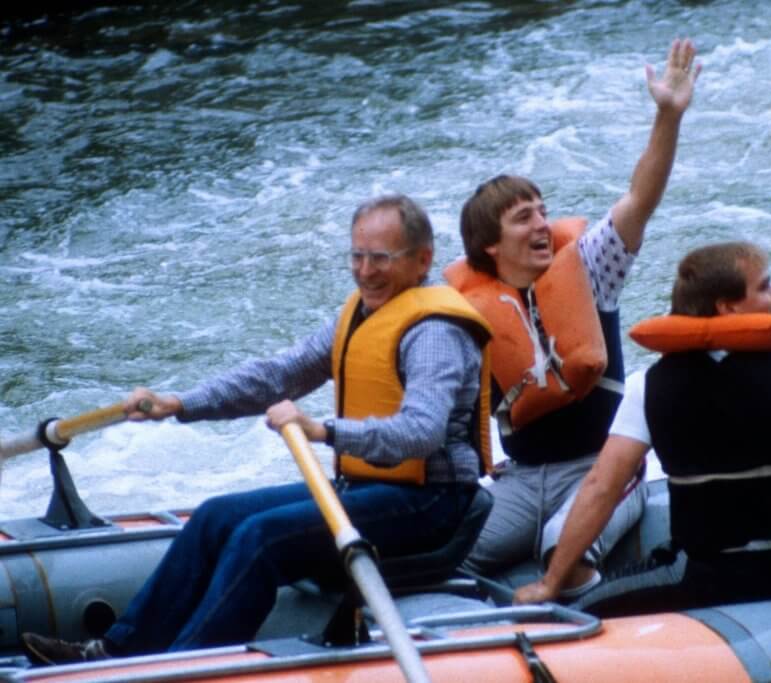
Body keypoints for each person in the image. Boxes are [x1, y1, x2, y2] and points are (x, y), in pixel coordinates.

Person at [21, 194, 493, 664]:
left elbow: (421, 432)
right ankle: (115, 650)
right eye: (357, 255)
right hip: (369, 487)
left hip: (431, 502)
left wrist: (324, 431)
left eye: (380, 258)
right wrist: (181, 403)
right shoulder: (363, 314)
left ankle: (186, 669)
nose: (365, 270)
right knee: (215, 517)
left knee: (261, 537)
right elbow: (277, 376)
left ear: (422, 260)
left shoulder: (435, 333)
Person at [513, 241, 771, 616]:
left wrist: (550, 584)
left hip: (705, 579)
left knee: (577, 612)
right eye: (766, 286)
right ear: (727, 307)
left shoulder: (648, 386)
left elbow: (602, 486)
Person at [448, 37, 701, 596]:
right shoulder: (465, 311)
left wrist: (667, 115)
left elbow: (640, 199)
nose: (543, 224)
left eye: (543, 211)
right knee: (450, 560)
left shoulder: (590, 269)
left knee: (563, 552)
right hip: (520, 480)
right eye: (523, 218)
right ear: (490, 245)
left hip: (602, 470)